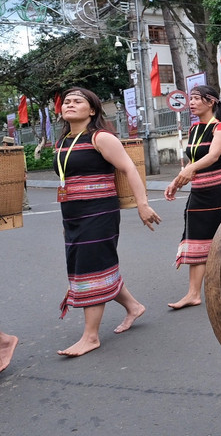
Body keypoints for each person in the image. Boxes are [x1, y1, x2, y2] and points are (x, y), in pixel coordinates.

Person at [54, 87, 161, 357]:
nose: (70, 104)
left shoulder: (100, 137)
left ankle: (90, 337)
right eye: (67, 101)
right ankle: (134, 307)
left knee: (92, 264)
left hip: (99, 212)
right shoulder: (64, 141)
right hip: (73, 214)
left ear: (92, 110)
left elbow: (128, 168)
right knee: (97, 263)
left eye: (78, 101)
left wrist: (143, 204)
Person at [164, 85, 221, 310]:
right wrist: (176, 181)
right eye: (191, 99)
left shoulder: (220, 128)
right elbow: (193, 161)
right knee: (196, 241)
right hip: (199, 193)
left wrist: (190, 170)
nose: (192, 103)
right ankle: (193, 294)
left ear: (211, 102)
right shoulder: (194, 129)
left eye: (197, 98)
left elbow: (213, 156)